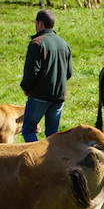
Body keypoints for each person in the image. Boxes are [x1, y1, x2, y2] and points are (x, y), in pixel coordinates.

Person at [20, 9, 73, 142]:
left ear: (40, 24)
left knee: (28, 130)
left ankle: (36, 160)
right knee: (53, 135)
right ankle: (52, 161)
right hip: (59, 96)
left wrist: (26, 87)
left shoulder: (36, 43)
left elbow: (31, 72)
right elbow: (69, 73)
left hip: (39, 95)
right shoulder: (64, 43)